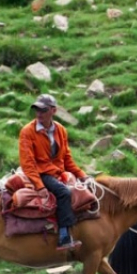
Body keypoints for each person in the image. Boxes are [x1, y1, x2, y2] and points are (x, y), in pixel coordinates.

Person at [19, 93, 88, 250]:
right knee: (64, 193)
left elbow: (67, 158)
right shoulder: (27, 131)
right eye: (37, 110)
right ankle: (64, 236)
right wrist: (39, 186)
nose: (39, 114)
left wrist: (82, 175)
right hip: (40, 173)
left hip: (57, 173)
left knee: (84, 191)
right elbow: (28, 163)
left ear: (53, 111)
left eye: (43, 110)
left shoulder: (61, 130)